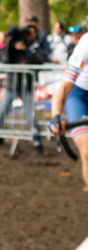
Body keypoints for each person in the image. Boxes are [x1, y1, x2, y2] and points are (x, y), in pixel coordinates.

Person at [0, 24, 50, 151]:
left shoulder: (36, 46)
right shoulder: (13, 46)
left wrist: (26, 54)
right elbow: (5, 58)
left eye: (31, 33)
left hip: (26, 86)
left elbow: (42, 58)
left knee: (30, 115)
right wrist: (11, 46)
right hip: (11, 85)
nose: (28, 36)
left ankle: (37, 142)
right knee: (1, 111)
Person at [49, 29, 88, 191]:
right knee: (87, 152)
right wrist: (56, 116)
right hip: (79, 97)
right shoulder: (85, 44)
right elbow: (64, 88)